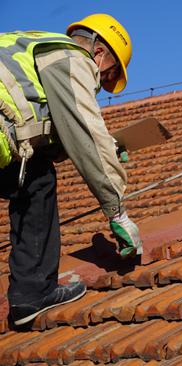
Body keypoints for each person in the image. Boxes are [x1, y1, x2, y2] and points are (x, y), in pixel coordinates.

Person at [0, 14, 142, 326]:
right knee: (38, 177)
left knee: (34, 175)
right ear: (100, 53)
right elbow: (84, 135)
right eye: (107, 77)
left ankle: (29, 296)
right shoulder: (71, 57)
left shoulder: (30, 47)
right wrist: (117, 211)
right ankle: (31, 293)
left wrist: (106, 145)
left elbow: (45, 132)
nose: (101, 86)